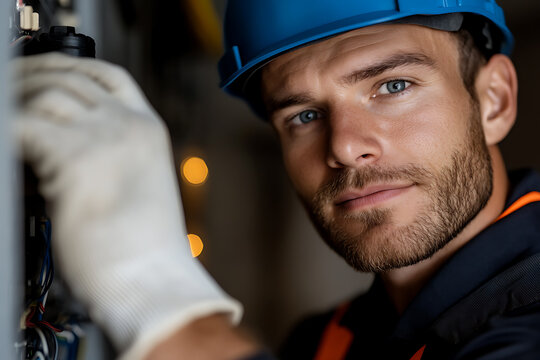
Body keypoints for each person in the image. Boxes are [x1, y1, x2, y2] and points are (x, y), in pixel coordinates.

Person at [13, 1, 540, 360]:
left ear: (494, 101)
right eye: (303, 116)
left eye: (393, 85)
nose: (343, 146)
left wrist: (153, 292)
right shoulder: (328, 341)